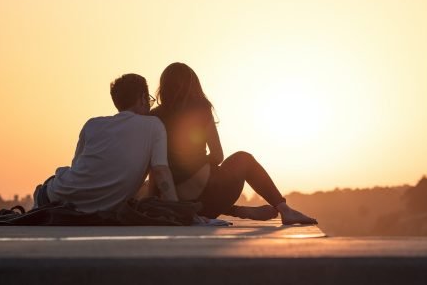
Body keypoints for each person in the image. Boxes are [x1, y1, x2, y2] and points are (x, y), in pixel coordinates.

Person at [150, 62, 317, 225]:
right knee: (244, 159)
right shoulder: (201, 108)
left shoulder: (154, 116)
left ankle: (237, 211)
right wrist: (197, 163)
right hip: (208, 194)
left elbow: (154, 166)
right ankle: (285, 211)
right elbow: (217, 155)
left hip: (175, 200)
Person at [33, 73, 178, 212]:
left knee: (50, 184)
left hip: (62, 197)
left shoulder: (92, 125)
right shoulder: (154, 125)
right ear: (142, 98)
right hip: (97, 207)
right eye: (149, 100)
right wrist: (179, 211)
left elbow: (79, 168)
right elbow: (160, 171)